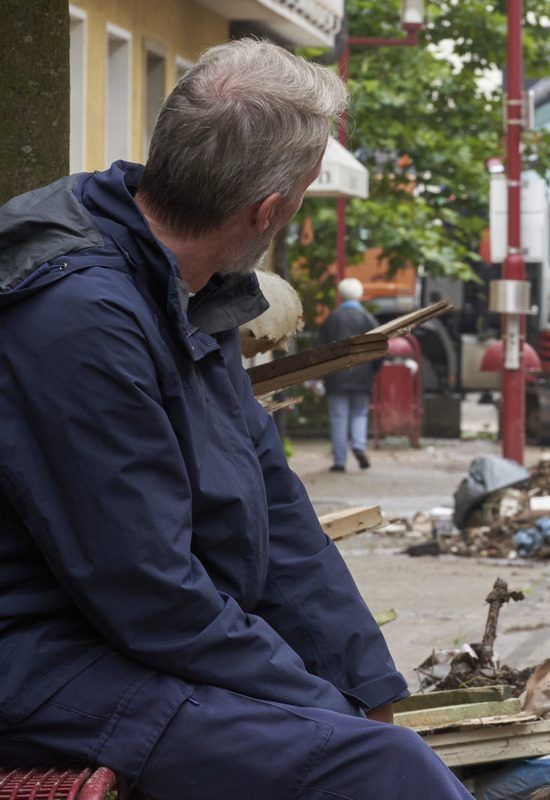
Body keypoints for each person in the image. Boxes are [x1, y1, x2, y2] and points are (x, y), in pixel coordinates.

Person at [0, 39, 470, 800]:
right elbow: (146, 588)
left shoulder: (191, 285)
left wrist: (367, 688)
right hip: (39, 659)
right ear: (269, 210)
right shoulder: (79, 318)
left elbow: (277, 513)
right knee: (380, 773)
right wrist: (328, 715)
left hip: (113, 636)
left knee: (381, 745)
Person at [318, 277, 380, 472]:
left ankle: (339, 461)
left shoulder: (332, 318)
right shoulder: (368, 319)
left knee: (338, 417)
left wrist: (320, 375)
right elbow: (379, 348)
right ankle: (359, 447)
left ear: (340, 295)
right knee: (360, 414)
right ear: (360, 295)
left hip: (336, 376)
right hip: (362, 377)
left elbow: (320, 348)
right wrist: (373, 370)